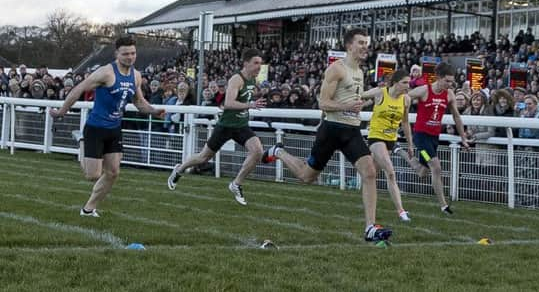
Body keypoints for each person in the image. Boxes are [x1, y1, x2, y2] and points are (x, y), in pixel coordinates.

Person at [262, 28, 393, 243]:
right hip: (331, 129)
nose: (365, 47)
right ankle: (279, 152)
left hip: (351, 130)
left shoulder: (360, 71)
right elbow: (323, 103)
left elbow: (354, 99)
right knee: (307, 177)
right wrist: (348, 105)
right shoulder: (336, 69)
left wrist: (368, 99)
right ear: (349, 45)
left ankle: (370, 227)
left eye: (366, 43)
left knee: (369, 172)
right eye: (361, 43)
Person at [50, 36, 165, 217]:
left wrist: (154, 111)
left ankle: (88, 209)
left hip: (114, 129)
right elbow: (78, 89)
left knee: (113, 172)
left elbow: (139, 102)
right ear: (116, 54)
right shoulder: (106, 73)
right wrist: (62, 111)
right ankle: (81, 139)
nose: (130, 57)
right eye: (125, 53)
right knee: (92, 175)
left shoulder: (136, 75)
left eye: (133, 53)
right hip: (96, 128)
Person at [167, 48, 268, 206]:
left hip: (241, 125)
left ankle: (236, 184)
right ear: (246, 63)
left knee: (257, 151)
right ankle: (179, 169)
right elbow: (227, 103)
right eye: (256, 63)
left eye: (260, 63)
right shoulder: (237, 79)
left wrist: (253, 101)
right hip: (226, 126)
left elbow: (243, 99)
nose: (259, 67)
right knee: (203, 157)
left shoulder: (253, 80)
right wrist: (250, 105)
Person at [401, 62, 469, 215]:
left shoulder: (449, 94)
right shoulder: (424, 90)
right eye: (447, 81)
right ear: (438, 77)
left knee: (422, 172)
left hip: (434, 138)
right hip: (420, 137)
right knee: (436, 166)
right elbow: (403, 97)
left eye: (451, 81)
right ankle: (444, 206)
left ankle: (400, 152)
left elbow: (456, 117)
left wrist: (463, 138)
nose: (450, 84)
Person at [362, 69, 413, 222]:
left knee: (371, 174)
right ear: (395, 82)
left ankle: (366, 200)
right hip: (376, 137)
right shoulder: (380, 93)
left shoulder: (406, 100)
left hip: (391, 138)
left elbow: (405, 122)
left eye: (408, 83)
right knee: (390, 171)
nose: (407, 86)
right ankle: (401, 211)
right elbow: (361, 95)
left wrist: (410, 144)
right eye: (404, 82)